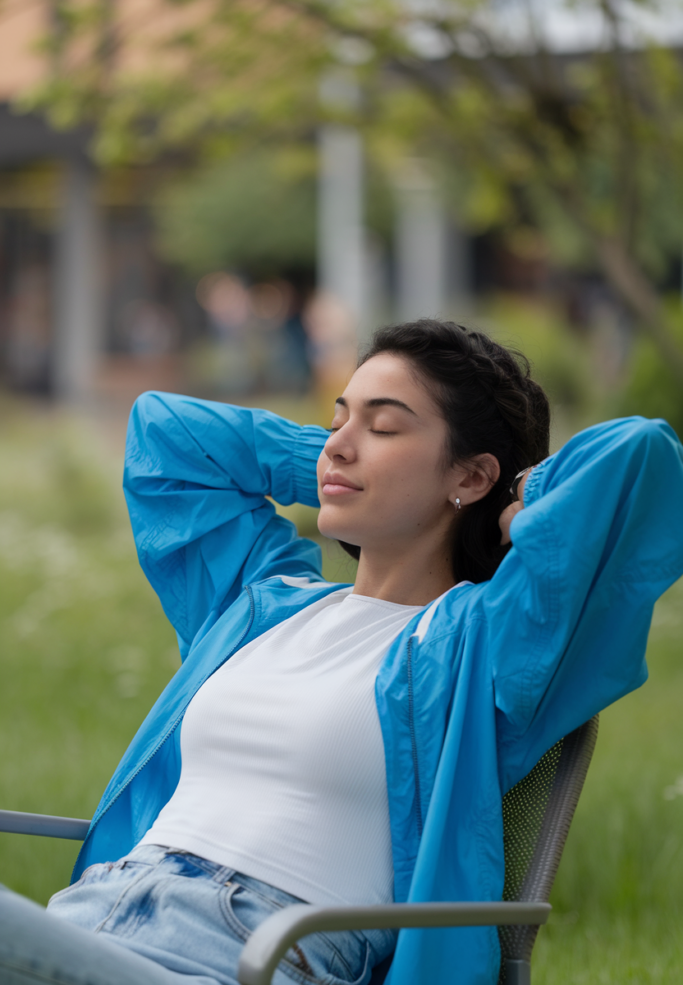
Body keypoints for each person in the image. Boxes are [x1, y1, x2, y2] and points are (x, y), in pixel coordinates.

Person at [1, 319, 683, 985]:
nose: (342, 444)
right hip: (93, 914)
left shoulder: (483, 644)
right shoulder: (260, 604)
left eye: (383, 426)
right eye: (337, 422)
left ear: (471, 477)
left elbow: (640, 460)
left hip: (250, 949)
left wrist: (513, 497)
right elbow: (167, 434)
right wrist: (331, 464)